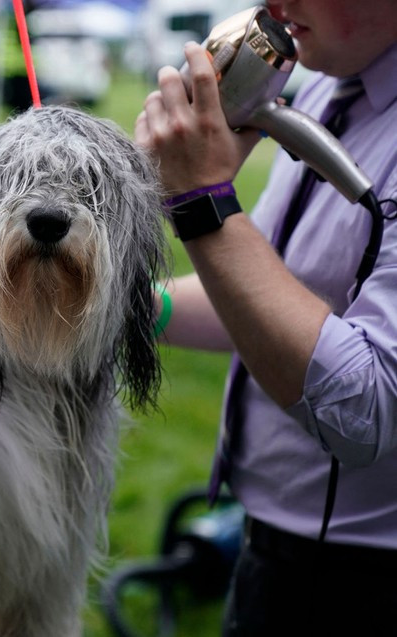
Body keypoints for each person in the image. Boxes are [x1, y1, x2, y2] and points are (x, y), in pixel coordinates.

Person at [135, 0, 397, 634]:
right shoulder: (334, 82)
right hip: (274, 550)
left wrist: (204, 204)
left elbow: (366, 413)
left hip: (364, 585)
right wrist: (119, 306)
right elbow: (274, 302)